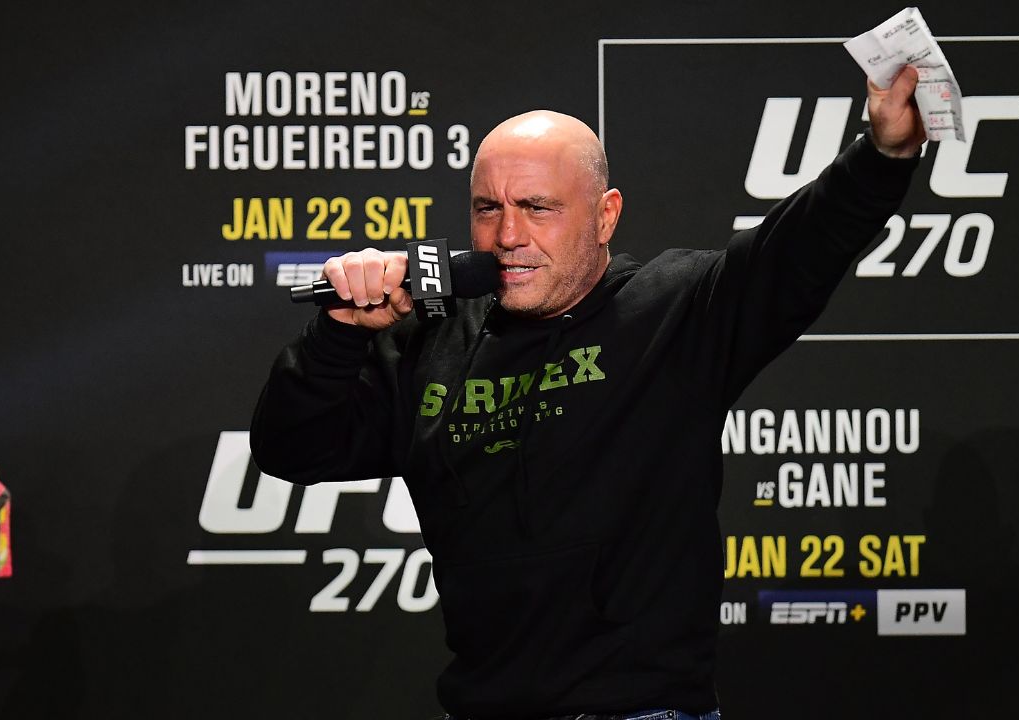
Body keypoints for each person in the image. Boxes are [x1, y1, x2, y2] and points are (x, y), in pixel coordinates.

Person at [250, 66, 926, 720]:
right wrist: (339, 333)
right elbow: (293, 449)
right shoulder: (430, 342)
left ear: (605, 216)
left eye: (537, 208)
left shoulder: (675, 311)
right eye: (489, 208)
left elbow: (802, 246)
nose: (507, 236)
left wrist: (883, 152)